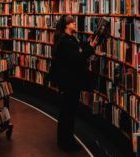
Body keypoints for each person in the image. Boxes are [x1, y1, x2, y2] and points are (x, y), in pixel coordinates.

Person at [48, 15, 96, 151]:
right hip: (69, 82)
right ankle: (66, 142)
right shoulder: (66, 41)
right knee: (68, 112)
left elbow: (78, 49)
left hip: (69, 81)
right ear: (66, 26)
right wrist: (91, 48)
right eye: (72, 22)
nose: (75, 23)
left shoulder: (69, 39)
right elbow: (77, 58)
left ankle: (65, 139)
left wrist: (87, 45)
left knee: (67, 111)